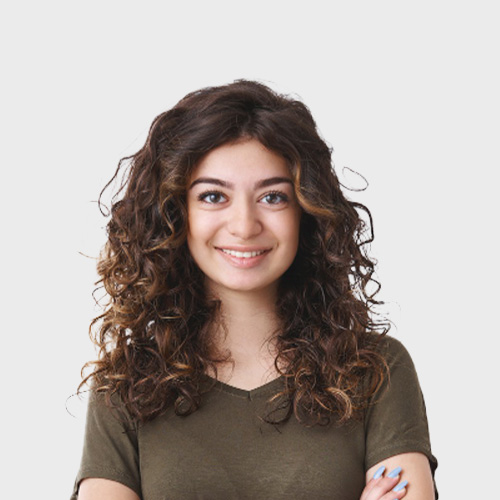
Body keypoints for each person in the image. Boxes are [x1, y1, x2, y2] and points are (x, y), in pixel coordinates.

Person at [71, 80, 437, 500]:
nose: (244, 226)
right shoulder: (124, 386)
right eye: (213, 196)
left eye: (273, 197)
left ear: (306, 211)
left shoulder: (375, 370)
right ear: (175, 212)